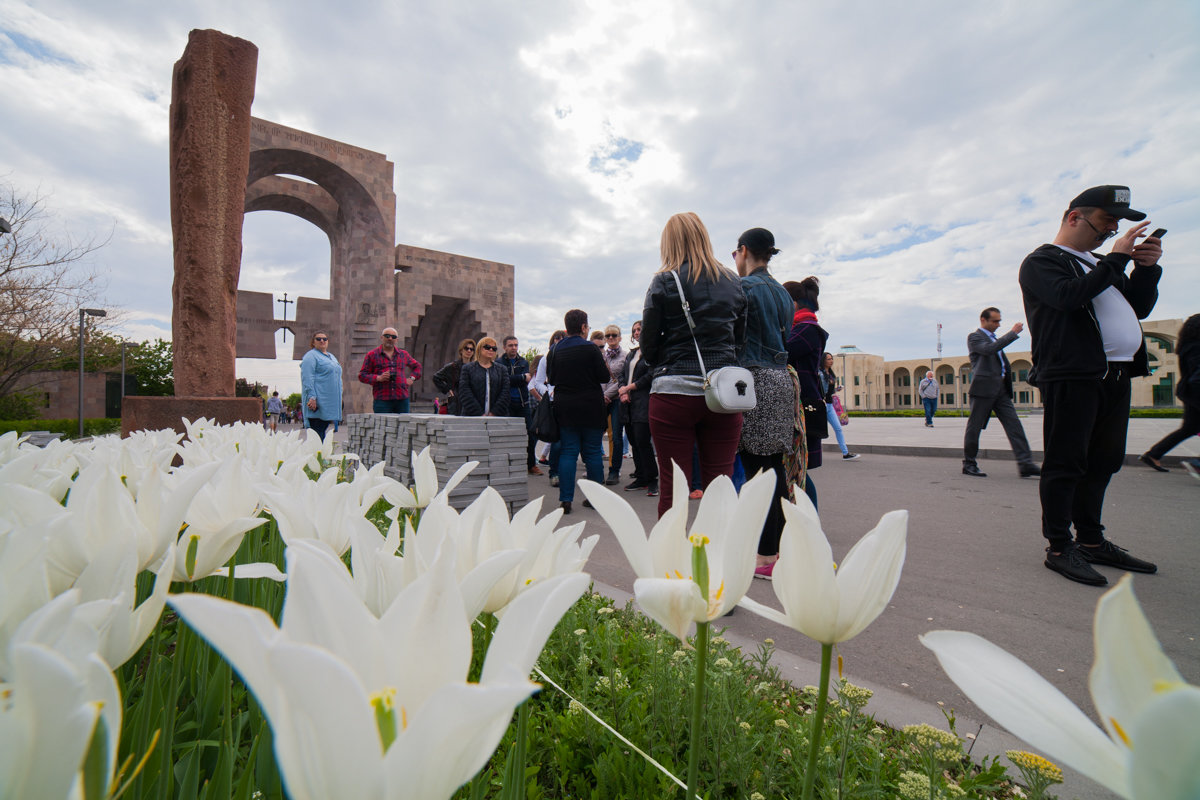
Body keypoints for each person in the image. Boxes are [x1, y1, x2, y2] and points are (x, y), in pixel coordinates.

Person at [1019, 184, 1163, 586]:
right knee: (1067, 462)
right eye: (1106, 221)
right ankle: (1061, 547)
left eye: (1116, 223)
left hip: (1114, 375)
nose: (1111, 230)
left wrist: (1146, 269)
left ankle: (1094, 541)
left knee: (1104, 460)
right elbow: (1068, 298)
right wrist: (1116, 259)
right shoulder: (1042, 261)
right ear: (1074, 217)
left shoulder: (1100, 263)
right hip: (1073, 376)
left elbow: (1137, 306)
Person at [640, 212, 747, 517]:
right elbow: (739, 340)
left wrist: (665, 363)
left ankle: (671, 559)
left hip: (673, 393)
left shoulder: (664, 280)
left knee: (674, 491)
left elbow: (648, 344)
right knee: (720, 488)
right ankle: (720, 560)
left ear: (669, 243)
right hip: (723, 395)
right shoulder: (732, 281)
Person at [731, 228, 798, 580]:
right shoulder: (785, 295)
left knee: (757, 474)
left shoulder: (745, 289)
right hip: (781, 381)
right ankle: (778, 548)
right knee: (774, 469)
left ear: (743, 251)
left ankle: (764, 554)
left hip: (753, 380)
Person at [961, 308, 1040, 479]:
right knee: (974, 427)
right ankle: (969, 464)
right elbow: (989, 350)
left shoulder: (993, 339)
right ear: (983, 320)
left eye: (999, 321)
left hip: (1000, 390)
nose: (998, 324)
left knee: (1015, 426)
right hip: (983, 390)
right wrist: (1012, 333)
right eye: (995, 321)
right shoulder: (974, 337)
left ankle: (1025, 463)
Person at [547, 310, 609, 514]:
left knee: (568, 452)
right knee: (592, 452)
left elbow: (552, 379)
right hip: (591, 406)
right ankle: (596, 498)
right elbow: (603, 377)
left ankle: (566, 499)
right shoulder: (591, 349)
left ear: (567, 327)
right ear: (583, 327)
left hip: (565, 407)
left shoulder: (555, 349)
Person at [784, 278, 826, 511]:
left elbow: (782, 353)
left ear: (794, 303)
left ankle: (810, 521)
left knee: (799, 468)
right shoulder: (803, 327)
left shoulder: (807, 329)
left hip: (802, 406)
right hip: (799, 404)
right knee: (795, 469)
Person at [1140, 313, 1200, 471]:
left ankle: (1153, 455)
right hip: (1195, 392)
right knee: (1189, 428)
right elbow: (1197, 376)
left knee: (1189, 428)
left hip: (1188, 391)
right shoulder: (1197, 347)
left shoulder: (1186, 346)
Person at [618, 319, 658, 496]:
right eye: (634, 330)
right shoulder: (631, 354)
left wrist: (629, 387)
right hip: (628, 403)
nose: (636, 332)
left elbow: (650, 376)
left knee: (643, 441)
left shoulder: (652, 353)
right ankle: (641, 476)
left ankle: (652, 480)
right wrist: (622, 390)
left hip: (644, 401)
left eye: (640, 329)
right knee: (634, 441)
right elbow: (622, 375)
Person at [499, 335, 540, 475]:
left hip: (523, 403)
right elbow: (504, 380)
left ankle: (531, 465)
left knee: (531, 434)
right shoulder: (499, 363)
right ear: (504, 347)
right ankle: (509, 466)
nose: (514, 348)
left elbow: (527, 380)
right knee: (508, 436)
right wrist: (521, 377)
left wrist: (519, 379)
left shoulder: (523, 362)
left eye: (516, 345)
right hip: (507, 404)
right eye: (510, 345)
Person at [530, 330, 566, 485]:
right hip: (554, 402)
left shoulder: (570, 356)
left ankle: (565, 472)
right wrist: (550, 392)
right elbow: (537, 382)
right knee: (556, 440)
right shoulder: (547, 358)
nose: (559, 340)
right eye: (556, 338)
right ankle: (554, 473)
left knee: (569, 441)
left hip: (571, 401)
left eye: (562, 338)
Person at [358, 327, 422, 413]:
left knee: (403, 425)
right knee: (383, 425)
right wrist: (378, 378)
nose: (390, 338)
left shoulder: (403, 354)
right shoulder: (372, 355)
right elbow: (362, 375)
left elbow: (417, 367)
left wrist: (412, 378)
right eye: (387, 336)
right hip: (382, 400)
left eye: (393, 337)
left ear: (397, 340)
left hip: (402, 399)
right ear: (382, 337)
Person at [300, 331, 342, 440]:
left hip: (329, 404)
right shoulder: (310, 356)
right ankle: (316, 456)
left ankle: (320, 456)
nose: (322, 341)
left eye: (325, 339)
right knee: (317, 437)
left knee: (322, 433)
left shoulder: (331, 357)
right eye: (318, 339)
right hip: (318, 404)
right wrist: (312, 397)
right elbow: (307, 378)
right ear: (313, 342)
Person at [600, 324, 628, 485]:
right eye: (608, 335)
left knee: (616, 436)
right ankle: (595, 469)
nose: (611, 338)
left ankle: (614, 471)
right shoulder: (602, 356)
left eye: (614, 335)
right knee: (596, 435)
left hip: (616, 399)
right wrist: (601, 396)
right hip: (602, 400)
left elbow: (623, 379)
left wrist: (607, 395)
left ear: (620, 337)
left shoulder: (625, 356)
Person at [458, 336, 509, 417]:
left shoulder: (502, 369)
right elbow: (465, 392)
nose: (491, 350)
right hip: (472, 417)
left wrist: (494, 413)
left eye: (494, 348)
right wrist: (479, 414)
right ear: (479, 349)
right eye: (487, 347)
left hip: (497, 417)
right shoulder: (467, 368)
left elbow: (505, 392)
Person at [821, 352, 859, 460]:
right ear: (823, 360)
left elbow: (830, 391)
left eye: (831, 359)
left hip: (829, 406)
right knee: (818, 431)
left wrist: (837, 389)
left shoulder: (831, 374)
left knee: (838, 429)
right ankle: (813, 454)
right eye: (828, 359)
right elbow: (821, 390)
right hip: (822, 406)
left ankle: (845, 453)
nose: (831, 361)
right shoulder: (820, 373)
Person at [432, 339, 475, 415]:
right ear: (461, 350)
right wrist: (447, 389)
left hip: (471, 402)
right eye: (466, 348)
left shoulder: (475, 367)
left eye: (471, 349)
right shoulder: (452, 366)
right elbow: (436, 377)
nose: (469, 351)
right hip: (456, 402)